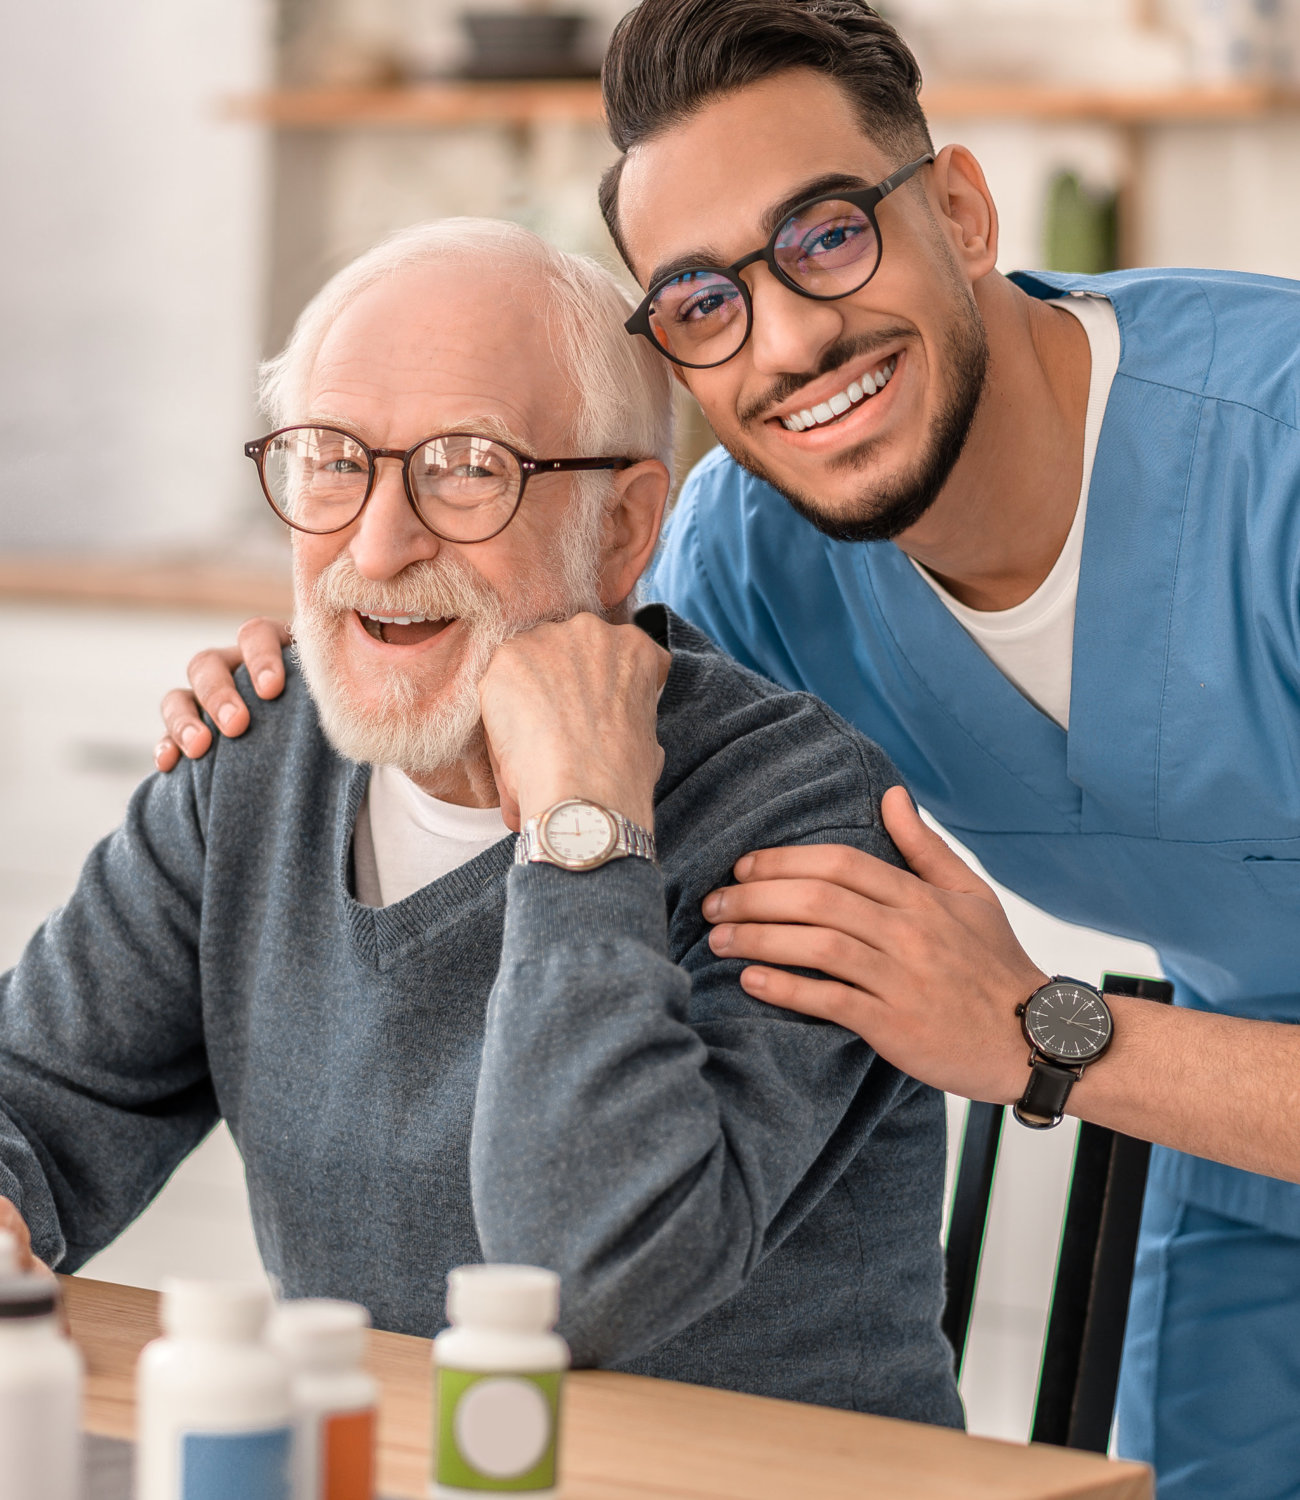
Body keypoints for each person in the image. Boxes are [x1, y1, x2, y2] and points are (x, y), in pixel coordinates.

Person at [160, 3, 1300, 1494]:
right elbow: (558, 766)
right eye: (701, 301)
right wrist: (347, 677)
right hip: (1242, 1157)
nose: (789, 338)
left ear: (958, 209)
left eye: (827, 237)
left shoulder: (1271, 465)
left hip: (1180, 1073)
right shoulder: (751, 561)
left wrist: (1040, 1035)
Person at [0, 218, 964, 1426]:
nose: (379, 544)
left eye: (466, 465)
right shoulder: (251, 761)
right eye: (333, 460)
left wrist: (583, 822)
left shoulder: (793, 811)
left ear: (621, 528)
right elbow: (34, 1095)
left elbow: (581, 1281)